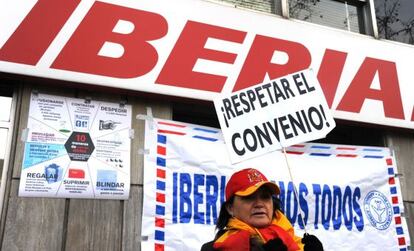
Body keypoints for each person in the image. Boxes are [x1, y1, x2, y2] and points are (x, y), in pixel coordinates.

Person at [200, 168, 323, 251]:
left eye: (265, 197)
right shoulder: (213, 248)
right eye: (249, 197)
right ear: (230, 208)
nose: (259, 204)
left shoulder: (296, 242)